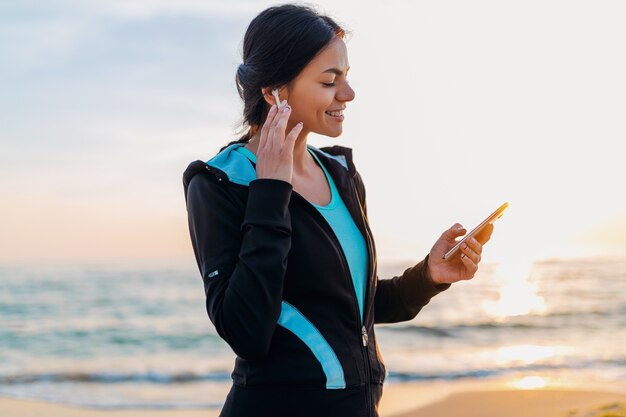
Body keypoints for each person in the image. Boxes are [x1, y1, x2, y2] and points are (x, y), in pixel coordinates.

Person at [183, 4, 493, 417]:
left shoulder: (340, 172)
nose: (348, 94)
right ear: (275, 90)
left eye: (346, 77)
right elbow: (246, 329)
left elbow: (351, 309)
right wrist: (271, 189)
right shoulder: (220, 183)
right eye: (330, 81)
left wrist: (430, 275)